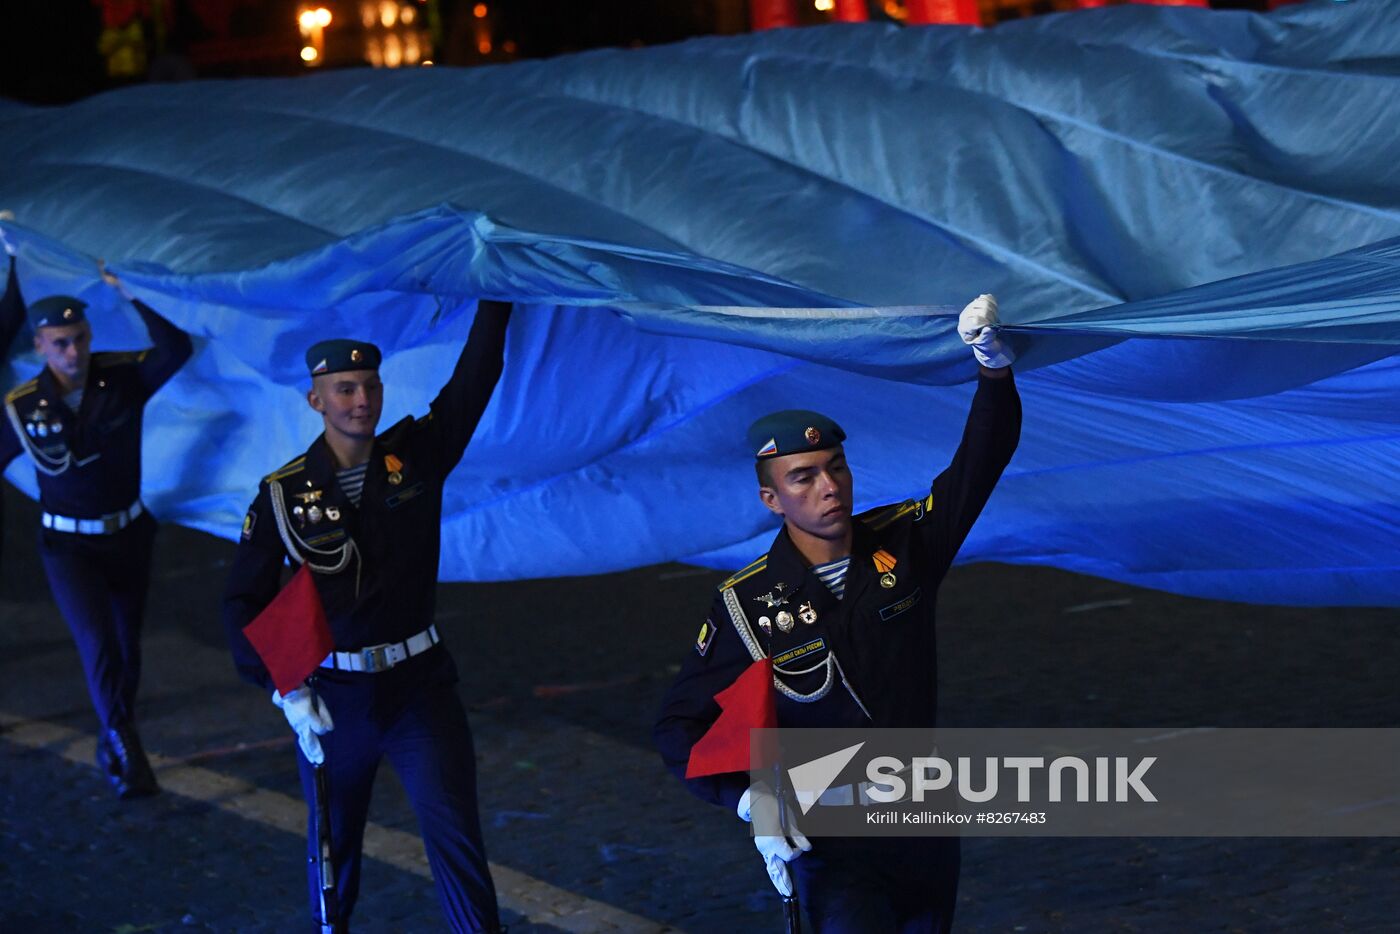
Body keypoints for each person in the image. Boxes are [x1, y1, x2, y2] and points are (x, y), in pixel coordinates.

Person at [653, 295, 1022, 932]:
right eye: (803, 478)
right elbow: (678, 729)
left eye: (835, 468)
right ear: (771, 498)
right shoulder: (746, 604)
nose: (828, 487)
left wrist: (993, 371)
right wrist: (749, 802)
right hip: (827, 833)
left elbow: (978, 467)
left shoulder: (907, 544)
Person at [222, 300, 514, 933]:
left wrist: (497, 292)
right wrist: (284, 688)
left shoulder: (416, 456)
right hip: (333, 698)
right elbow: (241, 601)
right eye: (345, 389)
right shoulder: (282, 493)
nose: (362, 399)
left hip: (419, 691)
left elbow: (476, 378)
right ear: (316, 401)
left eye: (371, 386)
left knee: (458, 841)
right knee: (332, 849)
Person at [0, 249, 193, 799]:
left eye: (80, 338)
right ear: (39, 346)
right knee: (98, 643)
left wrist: (131, 292)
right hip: (67, 545)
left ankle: (114, 733)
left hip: (128, 534)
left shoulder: (120, 377)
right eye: (60, 343)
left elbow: (175, 349)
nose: (73, 350)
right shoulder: (24, 405)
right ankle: (125, 744)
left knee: (127, 647)